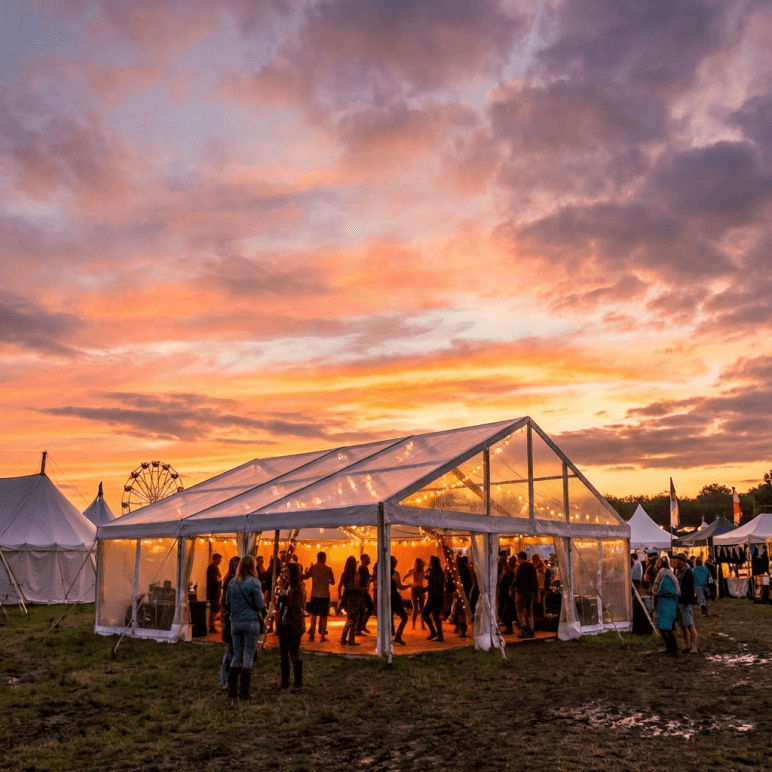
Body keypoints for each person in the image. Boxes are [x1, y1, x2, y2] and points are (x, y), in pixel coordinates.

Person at [225, 555, 265, 699]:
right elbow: (260, 604)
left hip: (235, 623)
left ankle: (231, 691)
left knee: (236, 656)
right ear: (252, 566)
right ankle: (244, 692)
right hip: (250, 622)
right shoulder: (254, 582)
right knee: (248, 655)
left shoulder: (232, 582)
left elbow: (227, 603)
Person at [277, 562, 306, 689]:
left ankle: (298, 682)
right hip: (284, 623)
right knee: (283, 654)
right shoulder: (287, 585)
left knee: (294, 652)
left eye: (287, 571)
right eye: (284, 571)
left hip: (292, 624)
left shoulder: (297, 587)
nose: (285, 574)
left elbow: (295, 607)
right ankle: (285, 681)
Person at [303, 551, 335, 642]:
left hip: (315, 595)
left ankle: (312, 633)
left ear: (317, 558)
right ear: (325, 558)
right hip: (325, 595)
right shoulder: (328, 569)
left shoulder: (313, 568)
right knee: (324, 616)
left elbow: (306, 577)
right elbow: (333, 582)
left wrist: (306, 571)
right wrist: (326, 581)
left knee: (314, 615)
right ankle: (323, 636)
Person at [652, 556, 681, 657]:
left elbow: (661, 590)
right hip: (666, 603)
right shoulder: (669, 574)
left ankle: (673, 649)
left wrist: (656, 597)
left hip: (666, 604)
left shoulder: (665, 574)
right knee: (665, 627)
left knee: (666, 628)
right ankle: (670, 648)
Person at [219, 555, 240, 689]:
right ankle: (225, 679)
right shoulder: (231, 580)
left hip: (233, 619)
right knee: (230, 651)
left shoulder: (233, 579)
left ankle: (228, 679)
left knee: (233, 651)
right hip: (230, 620)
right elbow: (227, 603)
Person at [672, 553, 698, 653]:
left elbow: (690, 589)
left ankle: (694, 647)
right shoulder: (678, 571)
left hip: (686, 603)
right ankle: (687, 645)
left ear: (682, 561)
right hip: (680, 602)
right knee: (683, 626)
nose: (675, 563)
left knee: (690, 625)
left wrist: (687, 601)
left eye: (677, 561)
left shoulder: (688, 572)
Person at [515, 551, 538, 639]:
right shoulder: (532, 566)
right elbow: (535, 579)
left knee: (520, 610)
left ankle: (525, 628)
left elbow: (518, 580)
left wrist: (514, 589)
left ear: (520, 558)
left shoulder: (521, 567)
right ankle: (531, 630)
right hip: (531, 591)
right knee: (529, 611)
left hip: (523, 591)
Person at [422, 555, 445, 642]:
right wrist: (425, 589)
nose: (430, 563)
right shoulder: (432, 571)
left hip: (437, 596)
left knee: (434, 615)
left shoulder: (438, 571)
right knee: (428, 614)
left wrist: (429, 579)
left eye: (431, 561)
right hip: (433, 595)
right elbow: (431, 584)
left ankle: (439, 634)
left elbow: (437, 583)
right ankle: (435, 633)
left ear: (434, 562)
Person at [339, 556, 360, 646]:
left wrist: (340, 597)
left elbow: (340, 586)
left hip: (346, 596)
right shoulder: (355, 573)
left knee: (349, 618)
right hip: (353, 597)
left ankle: (344, 637)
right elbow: (356, 586)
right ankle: (351, 639)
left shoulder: (345, 573)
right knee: (354, 619)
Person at [390, 556, 409, 645]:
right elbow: (400, 586)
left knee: (390, 617)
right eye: (395, 562)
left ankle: (391, 637)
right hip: (394, 597)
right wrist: (408, 586)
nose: (396, 563)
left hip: (387, 598)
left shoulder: (383, 573)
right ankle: (398, 636)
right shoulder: (395, 573)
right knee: (404, 617)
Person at [404, 557, 426, 629]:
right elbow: (407, 575)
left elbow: (407, 575)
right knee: (416, 607)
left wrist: (405, 578)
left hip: (417, 588)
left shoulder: (420, 570)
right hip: (417, 588)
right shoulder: (418, 570)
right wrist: (405, 578)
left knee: (419, 607)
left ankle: (419, 625)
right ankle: (416, 625)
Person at [498, 555, 517, 635]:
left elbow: (502, 582)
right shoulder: (511, 572)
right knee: (506, 610)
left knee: (506, 610)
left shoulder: (508, 572)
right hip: (507, 593)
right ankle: (508, 627)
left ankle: (508, 627)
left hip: (506, 593)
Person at [206, 553, 223, 634]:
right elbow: (215, 579)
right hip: (212, 591)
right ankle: (211, 626)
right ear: (213, 559)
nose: (219, 561)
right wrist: (219, 582)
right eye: (218, 559)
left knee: (216, 608)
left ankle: (212, 625)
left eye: (220, 559)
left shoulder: (215, 567)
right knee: (213, 609)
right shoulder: (212, 567)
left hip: (216, 591)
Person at [357, 553, 374, 635]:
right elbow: (368, 578)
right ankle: (360, 627)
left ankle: (361, 626)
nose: (369, 559)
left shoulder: (364, 568)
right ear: (364, 559)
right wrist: (374, 576)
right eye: (368, 558)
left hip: (363, 591)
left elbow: (368, 578)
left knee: (367, 609)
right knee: (368, 608)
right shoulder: (363, 568)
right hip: (362, 591)